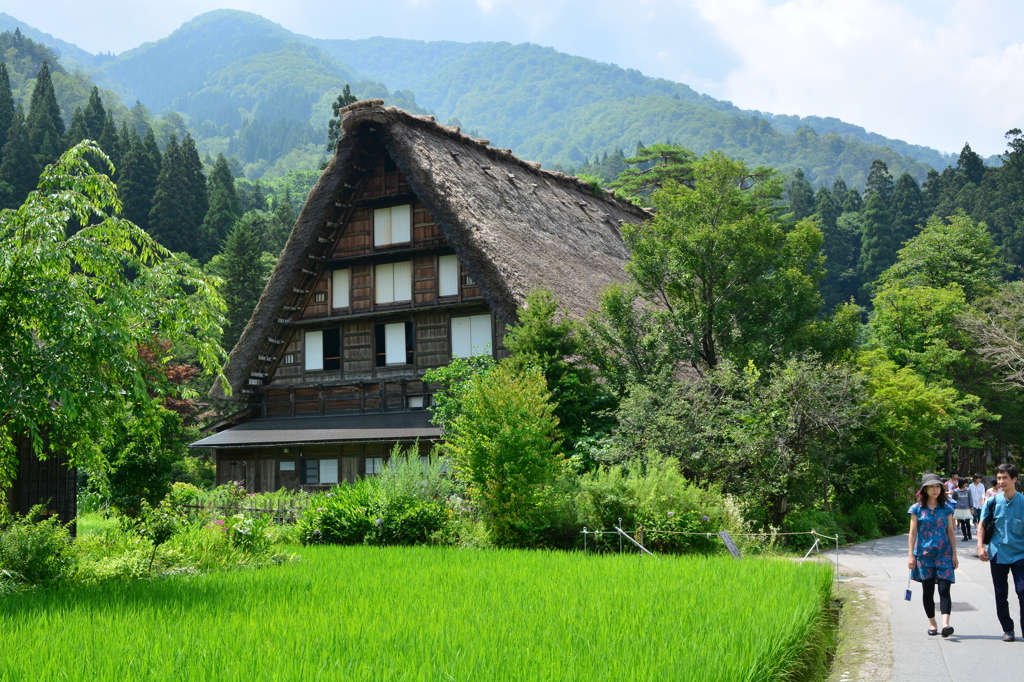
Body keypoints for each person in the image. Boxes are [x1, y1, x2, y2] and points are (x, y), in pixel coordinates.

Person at [978, 463, 1024, 643]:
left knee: (1022, 591)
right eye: (998, 478)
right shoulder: (993, 501)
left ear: (1014, 479)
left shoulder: (1022, 502)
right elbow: (982, 525)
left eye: (1005, 478)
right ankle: (1008, 629)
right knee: (1000, 592)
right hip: (998, 553)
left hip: (1021, 554)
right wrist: (980, 546)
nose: (1001, 481)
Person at [908, 473, 958, 637]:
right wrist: (911, 555)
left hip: (944, 554)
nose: (935, 489)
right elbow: (912, 533)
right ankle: (932, 623)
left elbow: (951, 532)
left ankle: (946, 624)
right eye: (932, 487)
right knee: (927, 591)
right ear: (925, 489)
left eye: (938, 487)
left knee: (944, 589)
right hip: (924, 555)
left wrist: (954, 554)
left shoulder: (947, 508)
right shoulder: (916, 508)